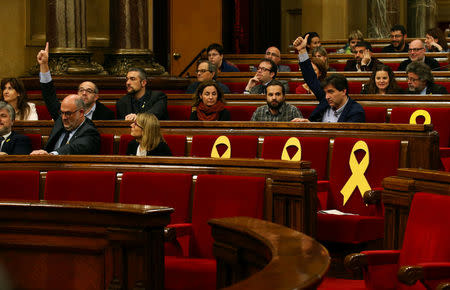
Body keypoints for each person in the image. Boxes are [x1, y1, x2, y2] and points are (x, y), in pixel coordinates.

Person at [293, 34, 365, 123]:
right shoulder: (326, 101)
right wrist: (302, 50)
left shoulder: (356, 112)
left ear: (343, 91)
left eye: (331, 92)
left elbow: (345, 135)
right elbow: (310, 78)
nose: (327, 96)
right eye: (326, 92)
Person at [37, 42, 114, 120]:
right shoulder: (67, 111)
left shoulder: (105, 114)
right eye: (81, 90)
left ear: (96, 97)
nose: (84, 93)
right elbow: (49, 96)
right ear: (77, 94)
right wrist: (44, 64)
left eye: (89, 91)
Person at [30, 94, 101, 155]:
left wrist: (52, 154)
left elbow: (73, 148)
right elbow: (50, 100)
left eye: (68, 113)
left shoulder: (90, 131)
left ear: (81, 112)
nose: (64, 118)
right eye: (62, 113)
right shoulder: (60, 121)